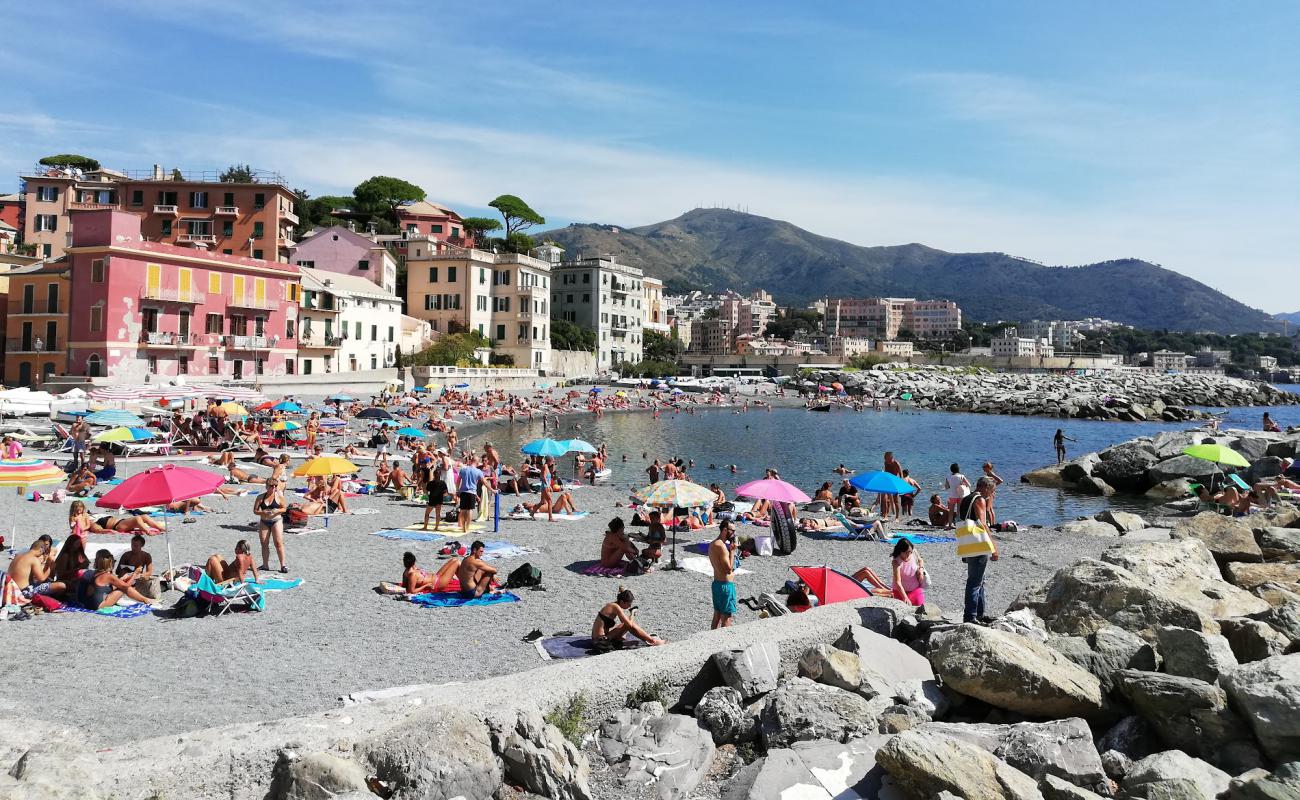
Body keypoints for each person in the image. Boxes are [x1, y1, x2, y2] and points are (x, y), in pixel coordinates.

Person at [958, 477, 999, 624]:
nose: (992, 494)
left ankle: (980, 614)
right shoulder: (979, 499)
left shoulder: (966, 498)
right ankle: (970, 616)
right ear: (985, 488)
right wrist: (993, 547)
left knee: (979, 580)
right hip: (978, 544)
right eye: (992, 491)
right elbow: (982, 525)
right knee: (975, 582)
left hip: (968, 543)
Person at [77, 550, 155, 610]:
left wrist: (124, 579)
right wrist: (135, 574)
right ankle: (145, 600)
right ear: (110, 564)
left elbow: (109, 586)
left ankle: (145, 599)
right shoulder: (108, 576)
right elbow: (126, 586)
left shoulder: (93, 573)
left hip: (87, 604)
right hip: (98, 606)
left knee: (120, 585)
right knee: (123, 589)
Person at [592, 587, 665, 649]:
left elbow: (625, 623)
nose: (629, 606)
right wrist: (632, 613)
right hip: (600, 641)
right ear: (622, 602)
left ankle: (650, 640)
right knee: (630, 625)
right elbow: (629, 625)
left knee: (626, 626)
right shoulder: (615, 607)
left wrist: (631, 615)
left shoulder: (613, 605)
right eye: (629, 604)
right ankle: (652, 641)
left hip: (600, 638)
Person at [7, 536, 62, 600]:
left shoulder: (18, 556)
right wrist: (50, 566)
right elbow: (42, 579)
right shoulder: (34, 559)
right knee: (60, 585)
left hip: (11, 589)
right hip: (24, 591)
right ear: (41, 549)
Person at [254, 478, 289, 573]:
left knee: (278, 543)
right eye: (271, 486)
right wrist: (263, 512)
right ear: (266, 486)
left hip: (276, 521)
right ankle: (265, 565)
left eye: (275, 486)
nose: (273, 488)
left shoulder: (279, 497)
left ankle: (283, 565)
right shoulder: (260, 497)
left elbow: (285, 508)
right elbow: (255, 511)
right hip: (264, 521)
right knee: (264, 543)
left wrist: (277, 510)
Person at [709, 520, 738, 629]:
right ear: (725, 530)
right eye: (732, 531)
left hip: (717, 584)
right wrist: (732, 552)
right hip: (725, 586)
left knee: (717, 615)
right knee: (727, 617)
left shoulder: (713, 543)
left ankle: (710, 640)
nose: (734, 534)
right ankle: (724, 644)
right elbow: (728, 570)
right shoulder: (721, 546)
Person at [117, 534, 159, 599]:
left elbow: (149, 572)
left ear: (142, 545)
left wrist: (140, 575)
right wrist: (125, 570)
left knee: (148, 579)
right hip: (126, 578)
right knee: (123, 574)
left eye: (135, 546)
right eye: (132, 545)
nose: (133, 547)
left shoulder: (146, 556)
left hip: (138, 578)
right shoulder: (126, 555)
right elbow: (117, 571)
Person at [456, 455, 486, 534]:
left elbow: (458, 481)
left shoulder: (463, 469)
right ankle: (467, 527)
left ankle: (463, 527)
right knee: (469, 510)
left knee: (462, 510)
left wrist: (457, 490)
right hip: (471, 492)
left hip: (463, 491)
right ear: (476, 462)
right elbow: (484, 482)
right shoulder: (478, 471)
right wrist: (492, 489)